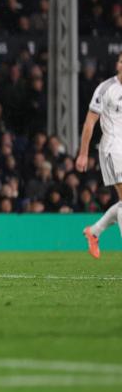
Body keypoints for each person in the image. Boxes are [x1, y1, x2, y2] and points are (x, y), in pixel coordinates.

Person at [77, 52, 122, 259]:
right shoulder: (105, 89)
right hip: (112, 149)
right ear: (118, 64)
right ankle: (94, 231)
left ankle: (94, 231)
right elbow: (89, 123)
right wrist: (83, 154)